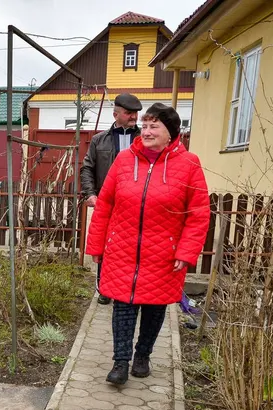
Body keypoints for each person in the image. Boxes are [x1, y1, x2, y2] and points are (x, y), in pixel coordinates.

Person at [85, 103, 210, 385]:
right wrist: (96, 245)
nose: (147, 131)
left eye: (155, 126)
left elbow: (198, 214)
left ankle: (143, 356)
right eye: (145, 125)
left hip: (163, 253)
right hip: (122, 249)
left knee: (155, 308)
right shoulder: (125, 160)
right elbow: (105, 204)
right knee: (123, 306)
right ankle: (120, 362)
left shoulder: (189, 164)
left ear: (171, 132)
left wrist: (186, 251)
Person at [81, 93, 143, 305]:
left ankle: (128, 290)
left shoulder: (144, 139)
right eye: (128, 113)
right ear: (116, 114)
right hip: (108, 202)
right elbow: (87, 168)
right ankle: (105, 289)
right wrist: (91, 194)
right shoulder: (99, 140)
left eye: (135, 113)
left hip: (137, 203)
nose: (133, 117)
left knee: (131, 246)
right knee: (104, 246)